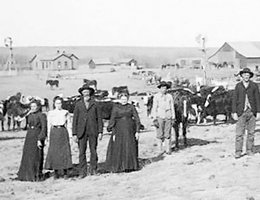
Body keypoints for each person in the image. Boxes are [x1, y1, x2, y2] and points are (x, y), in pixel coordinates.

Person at [72, 85, 103, 178]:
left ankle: (93, 169)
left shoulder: (95, 104)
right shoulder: (78, 104)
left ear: (90, 93)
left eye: (87, 92)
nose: (86, 94)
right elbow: (75, 120)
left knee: (93, 150)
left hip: (93, 130)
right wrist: (74, 133)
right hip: (81, 132)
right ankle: (82, 171)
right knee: (82, 152)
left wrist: (100, 131)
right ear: (81, 94)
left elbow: (99, 119)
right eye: (84, 92)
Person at [106, 91, 140, 173]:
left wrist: (137, 131)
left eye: (125, 99)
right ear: (119, 99)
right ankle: (119, 166)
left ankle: (130, 166)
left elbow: (137, 119)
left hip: (129, 130)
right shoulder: (116, 107)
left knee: (129, 146)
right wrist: (112, 130)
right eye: (122, 99)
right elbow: (112, 119)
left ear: (128, 99)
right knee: (119, 147)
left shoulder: (131, 107)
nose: (124, 101)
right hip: (119, 130)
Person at [232, 67, 260, 159]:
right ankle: (238, 152)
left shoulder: (254, 86)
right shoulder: (238, 86)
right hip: (241, 112)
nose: (246, 76)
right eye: (244, 75)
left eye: (248, 75)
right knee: (239, 134)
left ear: (250, 76)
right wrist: (234, 112)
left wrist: (259, 111)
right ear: (242, 76)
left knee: (251, 133)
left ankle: (249, 150)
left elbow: (257, 99)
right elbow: (234, 100)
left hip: (252, 112)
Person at [17, 100, 47, 181]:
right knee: (27, 156)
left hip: (37, 136)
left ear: (38, 107)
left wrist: (40, 139)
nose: (33, 108)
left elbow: (44, 128)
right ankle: (26, 176)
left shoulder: (42, 115)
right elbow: (24, 127)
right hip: (29, 136)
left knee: (36, 156)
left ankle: (35, 175)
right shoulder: (29, 115)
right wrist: (22, 119)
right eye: (31, 106)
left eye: (34, 106)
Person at [45, 96, 73, 179]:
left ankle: (65, 171)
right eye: (57, 103)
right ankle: (56, 172)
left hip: (63, 131)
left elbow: (69, 125)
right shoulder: (51, 113)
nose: (58, 105)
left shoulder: (65, 112)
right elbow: (48, 125)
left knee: (64, 151)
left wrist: (70, 136)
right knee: (54, 151)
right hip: (54, 132)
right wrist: (48, 137)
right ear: (54, 104)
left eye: (60, 103)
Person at [151, 81, 175, 154]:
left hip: (168, 116)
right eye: (162, 88)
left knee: (167, 133)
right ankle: (160, 150)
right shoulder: (156, 96)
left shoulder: (169, 96)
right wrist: (154, 118)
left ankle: (168, 149)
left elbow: (172, 107)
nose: (164, 89)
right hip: (160, 116)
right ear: (160, 88)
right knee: (159, 134)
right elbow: (154, 107)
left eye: (165, 88)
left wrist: (173, 117)